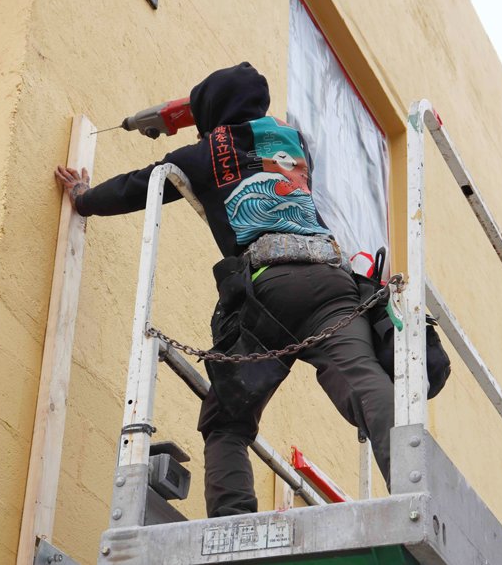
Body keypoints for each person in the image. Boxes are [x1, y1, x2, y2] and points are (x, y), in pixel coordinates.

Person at [55, 62, 394, 517]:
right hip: (333, 283)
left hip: (269, 287)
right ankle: (417, 486)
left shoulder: (202, 156)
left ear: (211, 110)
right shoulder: (296, 145)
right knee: (368, 386)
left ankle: (234, 525)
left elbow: (139, 186)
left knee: (228, 422)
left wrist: (83, 196)